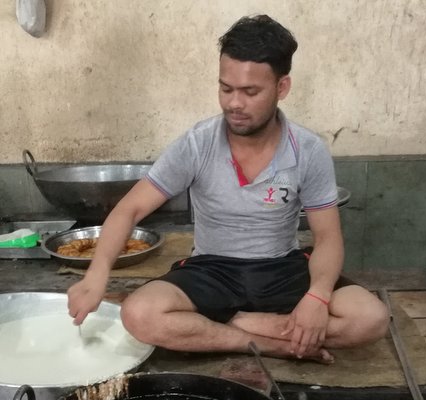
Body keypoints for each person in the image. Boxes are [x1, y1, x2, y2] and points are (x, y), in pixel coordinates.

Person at [68, 14, 389, 363]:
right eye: (226, 88)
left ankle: (237, 324)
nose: (234, 103)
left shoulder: (307, 150)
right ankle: (271, 343)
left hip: (282, 269)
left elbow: (327, 237)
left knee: (370, 319)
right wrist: (96, 275)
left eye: (251, 92)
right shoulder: (197, 144)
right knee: (138, 314)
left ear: (282, 88)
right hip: (212, 271)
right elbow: (130, 209)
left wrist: (317, 297)